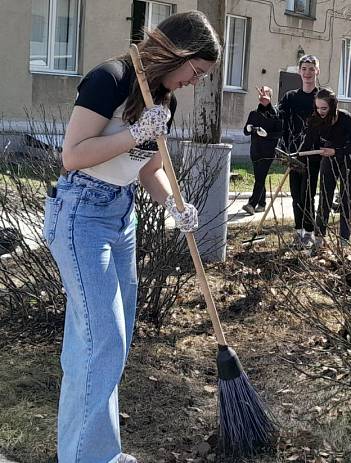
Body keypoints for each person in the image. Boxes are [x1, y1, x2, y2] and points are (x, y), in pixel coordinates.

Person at [42, 11, 220, 463]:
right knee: (105, 341)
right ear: (176, 53)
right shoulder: (111, 78)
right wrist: (133, 133)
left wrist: (173, 205)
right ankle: (91, 457)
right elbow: (73, 155)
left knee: (97, 345)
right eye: (195, 71)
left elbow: (149, 167)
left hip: (121, 217)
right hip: (81, 213)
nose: (194, 82)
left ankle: (94, 450)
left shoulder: (163, 99)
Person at [304, 88, 351, 248]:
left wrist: (337, 151)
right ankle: (319, 239)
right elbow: (308, 142)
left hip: (349, 159)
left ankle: (344, 241)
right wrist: (296, 156)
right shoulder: (316, 119)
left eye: (324, 108)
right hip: (329, 158)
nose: (320, 112)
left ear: (333, 106)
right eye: (317, 108)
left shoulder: (345, 119)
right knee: (325, 198)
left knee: (346, 200)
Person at [277, 54, 321, 248]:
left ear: (317, 71)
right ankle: (298, 231)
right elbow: (281, 121)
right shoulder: (290, 97)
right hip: (293, 154)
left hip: (313, 155)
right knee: (295, 194)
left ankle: (309, 232)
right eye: (304, 69)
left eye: (311, 69)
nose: (308, 73)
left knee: (308, 194)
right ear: (299, 71)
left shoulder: (322, 97)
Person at [242, 85, 282, 215]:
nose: (262, 96)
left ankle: (251, 204)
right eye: (261, 94)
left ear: (270, 97)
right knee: (260, 177)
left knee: (260, 177)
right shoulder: (253, 114)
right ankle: (262, 203)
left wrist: (267, 135)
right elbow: (245, 131)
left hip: (268, 151)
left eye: (265, 94)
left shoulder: (275, 115)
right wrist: (248, 129)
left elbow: (279, 133)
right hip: (255, 150)